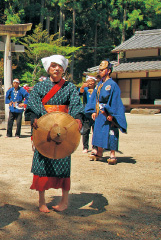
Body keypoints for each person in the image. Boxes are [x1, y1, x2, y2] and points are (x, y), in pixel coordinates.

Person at [26, 55, 84, 213]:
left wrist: (78, 118)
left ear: (63, 69)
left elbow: (75, 105)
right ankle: (41, 201)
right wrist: (35, 118)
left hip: (63, 131)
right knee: (41, 166)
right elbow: (32, 105)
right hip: (44, 130)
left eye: (59, 66)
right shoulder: (39, 87)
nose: (56, 69)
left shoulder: (70, 88)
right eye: (53, 66)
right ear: (48, 69)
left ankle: (64, 201)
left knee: (64, 166)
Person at [85, 60, 127, 165]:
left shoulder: (112, 85)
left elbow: (115, 100)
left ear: (108, 71)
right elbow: (95, 98)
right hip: (100, 112)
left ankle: (112, 154)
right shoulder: (99, 84)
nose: (100, 71)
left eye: (102, 70)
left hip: (108, 111)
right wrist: (94, 111)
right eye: (99, 70)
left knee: (111, 132)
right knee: (98, 131)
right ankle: (99, 152)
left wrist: (112, 114)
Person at [79, 75, 97, 153]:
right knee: (86, 131)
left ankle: (95, 147)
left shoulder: (97, 89)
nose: (90, 83)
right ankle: (85, 147)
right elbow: (79, 93)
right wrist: (82, 87)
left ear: (95, 82)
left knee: (95, 131)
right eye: (88, 81)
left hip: (96, 112)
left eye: (92, 81)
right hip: (87, 112)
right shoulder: (86, 89)